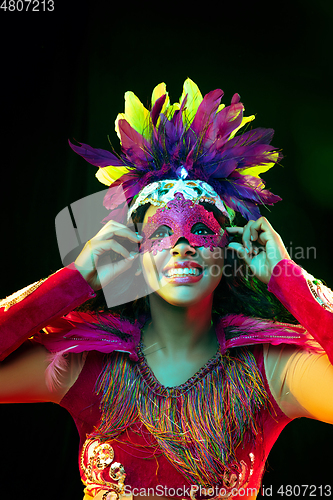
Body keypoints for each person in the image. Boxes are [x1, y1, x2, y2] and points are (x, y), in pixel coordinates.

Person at [1, 79, 333, 500]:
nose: (181, 245)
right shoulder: (81, 364)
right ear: (134, 254)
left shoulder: (274, 371)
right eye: (161, 232)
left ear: (227, 252)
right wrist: (74, 279)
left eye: (200, 229)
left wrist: (287, 277)